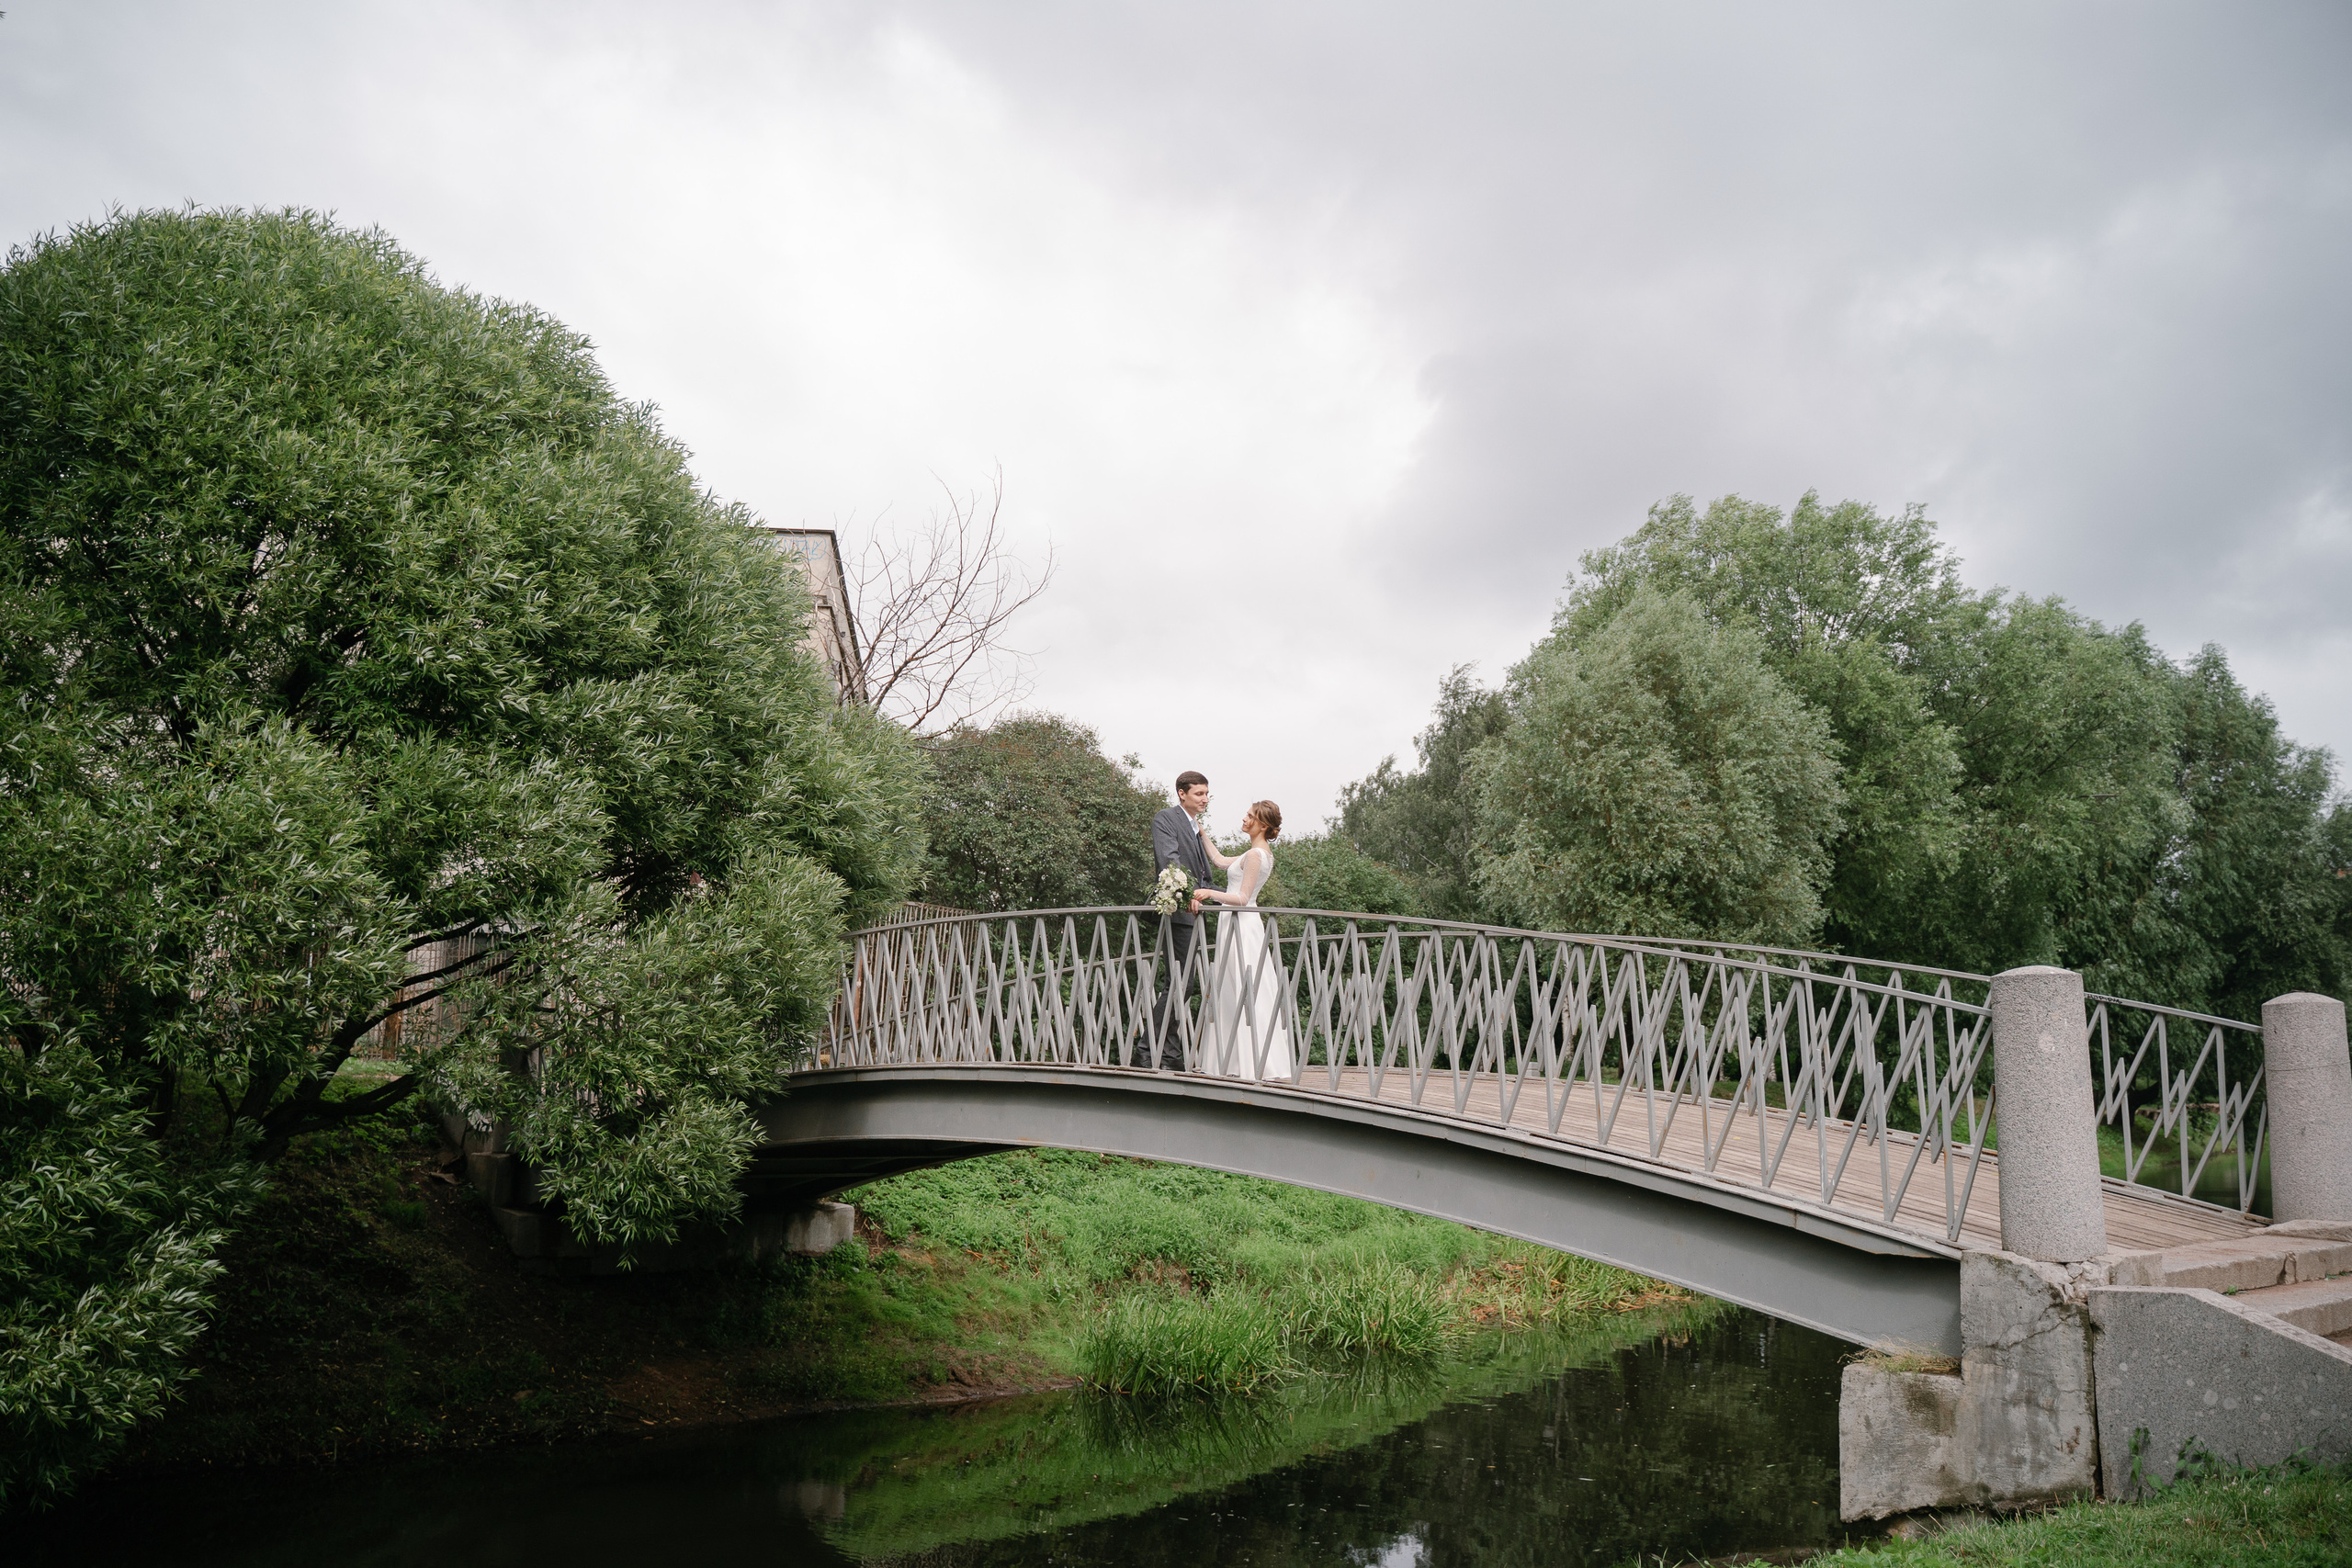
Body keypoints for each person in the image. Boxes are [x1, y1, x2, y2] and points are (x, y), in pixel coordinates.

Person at [1192, 799, 1295, 1082]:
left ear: (1262, 825)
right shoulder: (1256, 853)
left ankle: (1249, 1062)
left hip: (1241, 922)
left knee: (1242, 986)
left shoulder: (1255, 856)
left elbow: (1242, 898)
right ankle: (1234, 1059)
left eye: (1250, 816)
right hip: (1236, 923)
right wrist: (1201, 832)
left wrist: (1209, 893)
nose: (1245, 818)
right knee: (1232, 986)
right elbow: (1220, 861)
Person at [1131, 771, 1217, 1070]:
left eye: (1207, 794)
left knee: (1184, 984)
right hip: (1180, 911)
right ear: (1182, 793)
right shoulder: (1166, 818)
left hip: (1196, 912)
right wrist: (1188, 894)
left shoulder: (1196, 827)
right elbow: (1171, 863)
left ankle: (1168, 1053)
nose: (1205, 799)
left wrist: (1233, 897)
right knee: (1181, 984)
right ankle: (1149, 1051)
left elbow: (1207, 874)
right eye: (1199, 794)